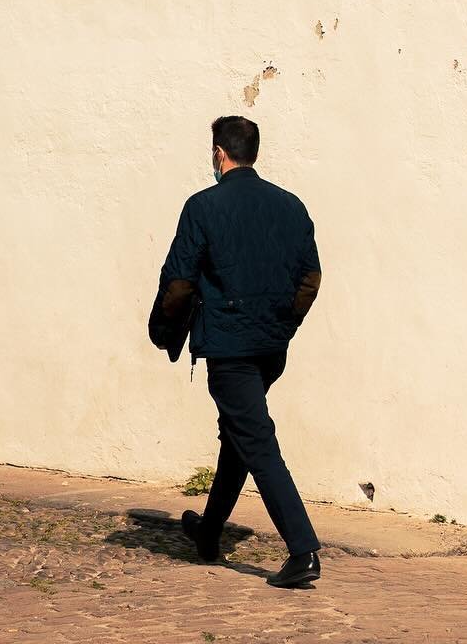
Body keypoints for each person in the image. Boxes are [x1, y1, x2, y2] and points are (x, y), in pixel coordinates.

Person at [148, 115, 324, 588]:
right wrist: (286, 323)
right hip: (271, 346)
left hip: (231, 347)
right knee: (239, 434)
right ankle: (208, 533)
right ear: (254, 153)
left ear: (219, 153)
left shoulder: (203, 206)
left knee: (256, 440)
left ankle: (303, 550)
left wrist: (164, 332)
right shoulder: (291, 206)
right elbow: (311, 277)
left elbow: (179, 281)